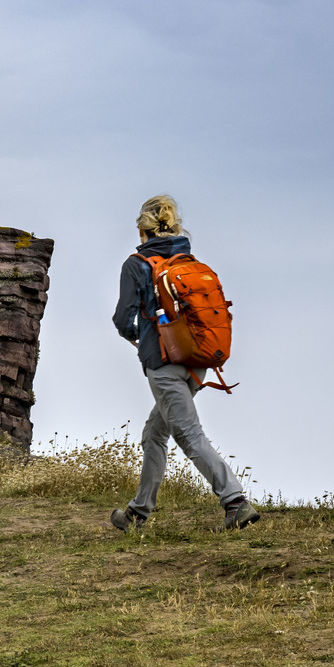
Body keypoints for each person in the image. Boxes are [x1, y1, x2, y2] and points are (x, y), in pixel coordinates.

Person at [111, 195, 259, 531]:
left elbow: (123, 318)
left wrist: (135, 335)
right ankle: (137, 513)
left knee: (189, 435)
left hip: (163, 364)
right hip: (197, 361)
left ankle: (235, 501)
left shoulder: (136, 264)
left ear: (141, 228)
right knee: (154, 434)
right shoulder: (188, 260)